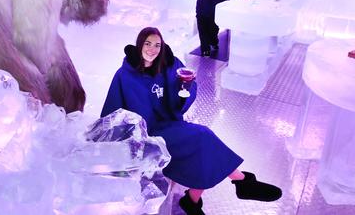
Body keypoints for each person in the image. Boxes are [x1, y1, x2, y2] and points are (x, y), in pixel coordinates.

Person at [101, 27, 282, 215]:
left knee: (203, 141)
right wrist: (115, 146)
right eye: (147, 43)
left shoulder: (169, 65)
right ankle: (239, 183)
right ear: (139, 45)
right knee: (202, 137)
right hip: (146, 135)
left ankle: (198, 198)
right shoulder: (124, 76)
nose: (152, 49)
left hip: (170, 125)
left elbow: (181, 98)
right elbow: (111, 113)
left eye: (157, 45)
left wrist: (184, 88)